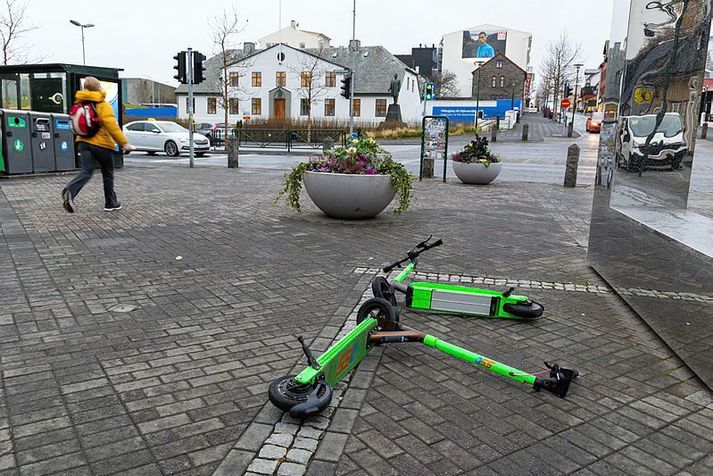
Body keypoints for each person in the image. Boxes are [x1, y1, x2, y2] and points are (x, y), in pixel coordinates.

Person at [62, 77, 134, 213]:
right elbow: (112, 126)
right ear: (99, 88)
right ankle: (110, 203)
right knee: (107, 174)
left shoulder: (80, 104)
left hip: (83, 142)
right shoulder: (102, 105)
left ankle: (70, 191)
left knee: (86, 171)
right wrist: (124, 143)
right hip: (102, 145)